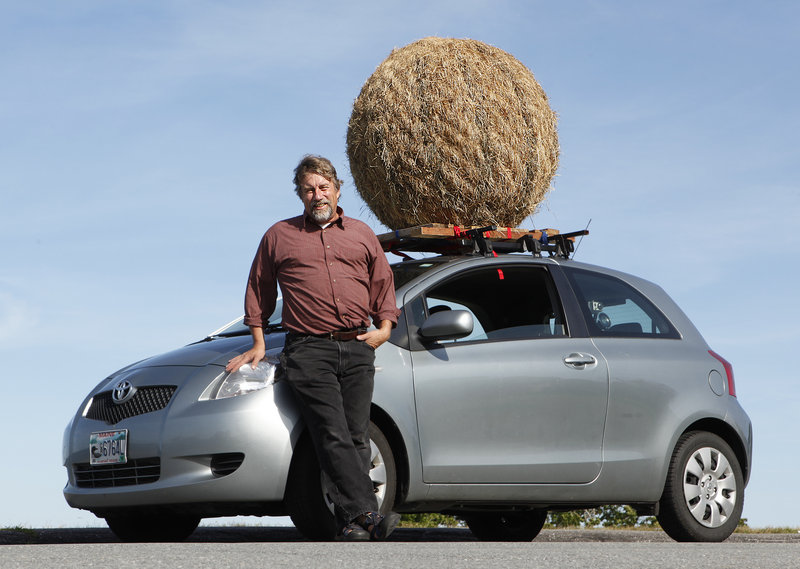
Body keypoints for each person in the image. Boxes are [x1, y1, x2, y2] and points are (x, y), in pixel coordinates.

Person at [225, 155, 401, 541]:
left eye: (323, 187)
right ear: (300, 195)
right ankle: (369, 515)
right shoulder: (279, 235)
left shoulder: (361, 233)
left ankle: (352, 524)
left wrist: (384, 327)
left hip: (357, 346)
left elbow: (382, 280)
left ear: (337, 190)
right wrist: (257, 341)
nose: (316, 195)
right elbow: (259, 286)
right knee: (331, 432)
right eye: (308, 189)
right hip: (308, 350)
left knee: (356, 435)